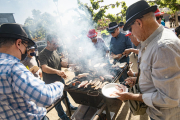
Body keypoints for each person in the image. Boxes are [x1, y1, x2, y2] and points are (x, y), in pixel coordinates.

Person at [115, 1, 180, 120]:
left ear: (139, 23)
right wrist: (137, 79)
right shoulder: (153, 40)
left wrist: (132, 96)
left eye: (131, 29)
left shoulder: (162, 47)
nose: (132, 34)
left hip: (165, 116)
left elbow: (168, 99)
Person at [0, 23, 64, 120]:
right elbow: (45, 97)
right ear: (18, 43)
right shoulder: (14, 67)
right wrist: (59, 85)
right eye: (25, 45)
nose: (27, 49)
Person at [38, 34, 77, 120]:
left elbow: (60, 63)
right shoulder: (42, 54)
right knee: (57, 102)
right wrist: (57, 72)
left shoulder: (55, 51)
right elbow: (44, 68)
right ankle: (63, 116)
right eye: (55, 43)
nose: (57, 45)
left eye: (57, 43)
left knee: (64, 95)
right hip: (50, 83)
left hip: (60, 79)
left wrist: (69, 65)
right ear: (48, 43)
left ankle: (69, 107)